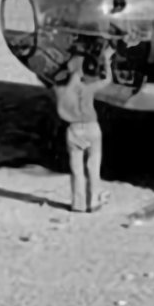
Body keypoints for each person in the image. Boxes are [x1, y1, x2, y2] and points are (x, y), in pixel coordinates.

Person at [55, 43, 115, 212]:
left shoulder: (60, 90)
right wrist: (106, 61)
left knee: (76, 170)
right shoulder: (88, 88)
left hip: (73, 129)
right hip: (91, 127)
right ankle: (93, 202)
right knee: (93, 167)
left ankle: (78, 204)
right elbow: (107, 80)